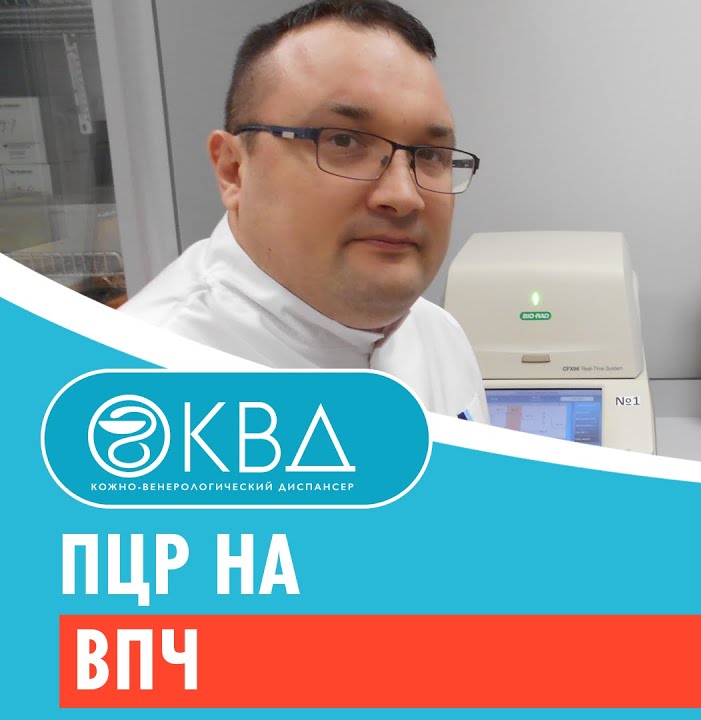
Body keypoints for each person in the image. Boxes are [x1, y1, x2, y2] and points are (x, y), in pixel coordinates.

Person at [122, 0, 488, 422]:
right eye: (344, 141)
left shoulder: (439, 336)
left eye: (430, 154)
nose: (404, 196)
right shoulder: (142, 384)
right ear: (233, 170)